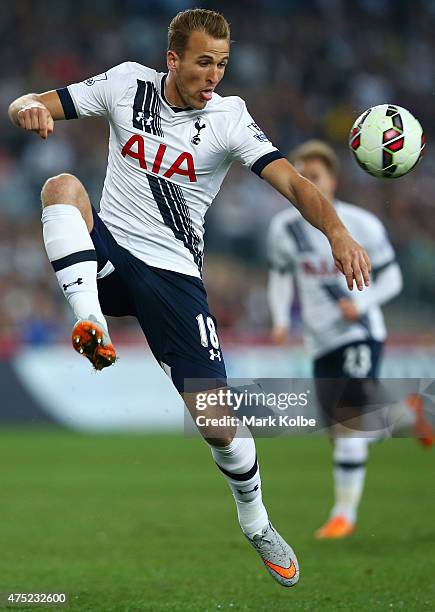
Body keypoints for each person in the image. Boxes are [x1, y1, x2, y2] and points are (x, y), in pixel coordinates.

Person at [9, 10, 371, 586]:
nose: (214, 76)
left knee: (216, 421)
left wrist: (338, 231)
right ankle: (90, 323)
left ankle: (255, 521)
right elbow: (35, 102)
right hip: (112, 253)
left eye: (222, 64)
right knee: (62, 188)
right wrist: (26, 106)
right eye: (204, 62)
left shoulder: (231, 118)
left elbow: (294, 183)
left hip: (174, 280)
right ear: (172, 59)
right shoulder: (126, 84)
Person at [267, 140, 433, 539]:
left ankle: (344, 516)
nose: (309, 182)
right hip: (321, 339)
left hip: (359, 333)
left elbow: (392, 278)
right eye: (302, 175)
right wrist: (279, 321)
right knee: (342, 429)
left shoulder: (363, 225)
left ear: (333, 182)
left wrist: (362, 305)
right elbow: (280, 275)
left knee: (350, 423)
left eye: (317, 176)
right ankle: (408, 414)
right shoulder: (283, 229)